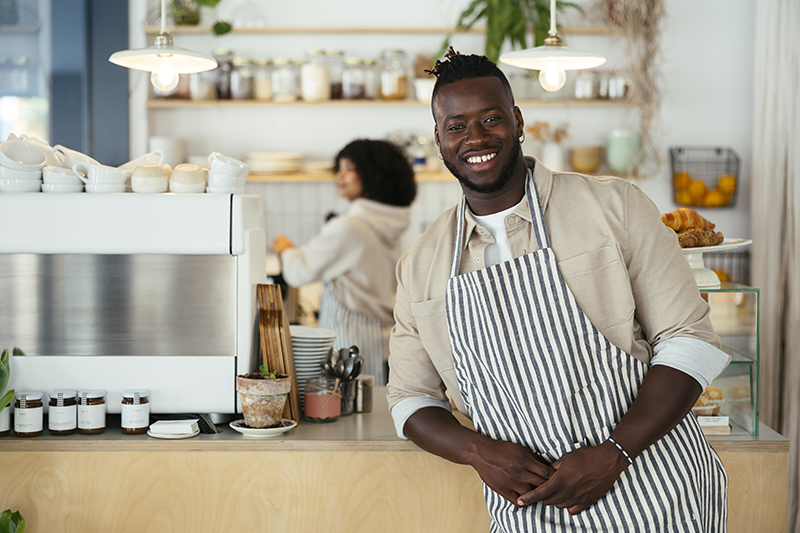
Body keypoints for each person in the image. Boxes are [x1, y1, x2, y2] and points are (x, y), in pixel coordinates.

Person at [387, 48, 729, 531]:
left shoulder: (616, 207)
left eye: (491, 118)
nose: (476, 137)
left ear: (518, 120)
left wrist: (615, 452)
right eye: (456, 126)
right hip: (531, 510)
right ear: (439, 140)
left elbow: (689, 341)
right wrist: (477, 451)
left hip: (656, 490)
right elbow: (408, 399)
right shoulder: (420, 264)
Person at [273, 139, 417, 386]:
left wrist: (286, 250)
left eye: (349, 168)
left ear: (373, 174)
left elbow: (297, 271)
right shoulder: (392, 223)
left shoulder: (350, 227)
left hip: (348, 341)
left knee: (348, 412)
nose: (339, 175)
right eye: (339, 168)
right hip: (383, 338)